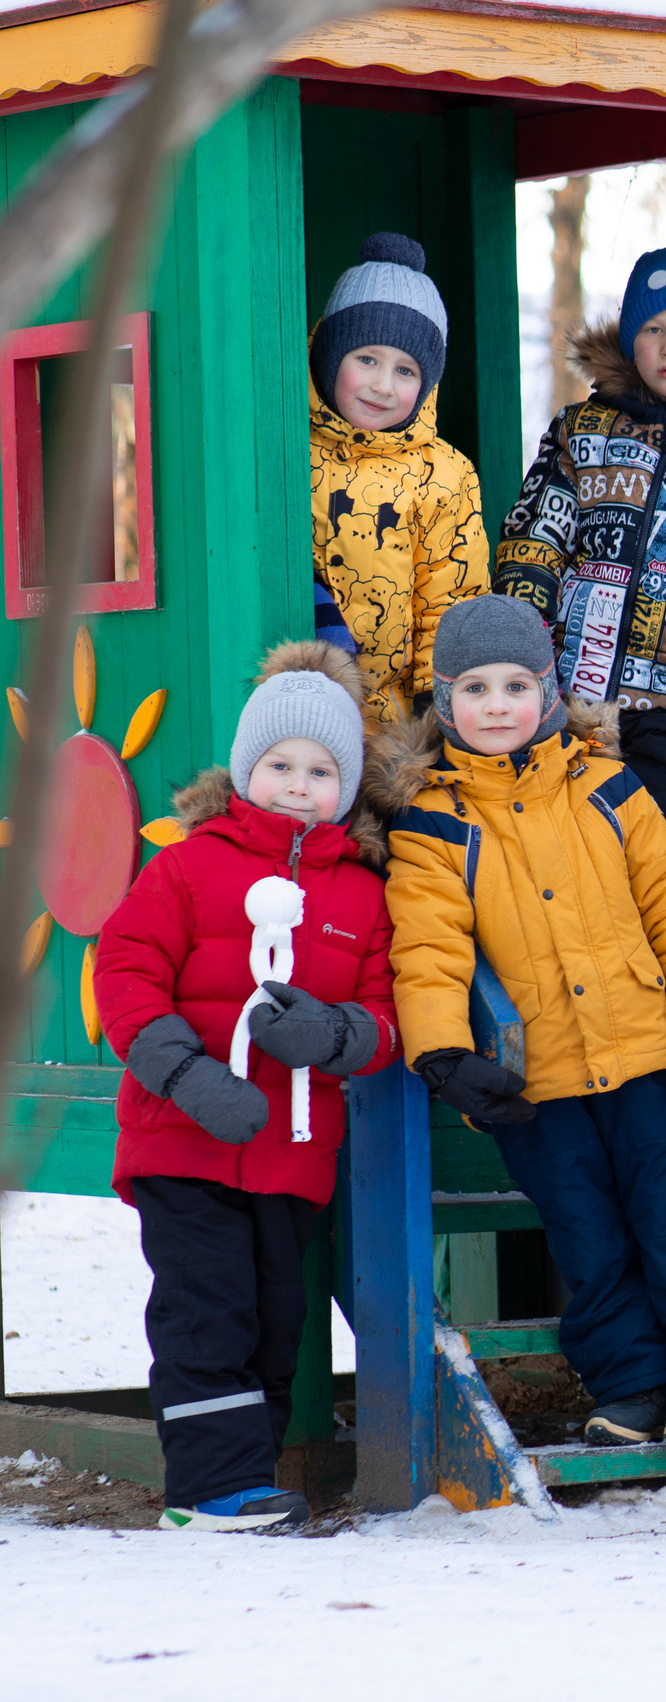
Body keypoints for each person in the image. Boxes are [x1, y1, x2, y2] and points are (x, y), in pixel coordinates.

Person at [375, 595, 666, 1448]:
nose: (498, 705)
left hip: (641, 1058)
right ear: (445, 702)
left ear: (549, 693)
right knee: (588, 1239)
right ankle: (631, 1383)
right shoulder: (436, 824)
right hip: (532, 1080)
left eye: (517, 684)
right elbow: (429, 947)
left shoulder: (608, 786)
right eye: (475, 688)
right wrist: (442, 1052)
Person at [94, 644, 398, 1533]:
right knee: (207, 1310)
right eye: (278, 765)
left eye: (319, 770)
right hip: (183, 1139)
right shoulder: (189, 867)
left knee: (274, 1318)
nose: (296, 785)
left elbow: (385, 1014)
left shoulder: (360, 894)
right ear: (244, 769)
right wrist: (186, 1075)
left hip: (288, 1154)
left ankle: (246, 1476)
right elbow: (126, 970)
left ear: (344, 788)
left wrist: (334, 1034)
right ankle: (205, 1489)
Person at [492, 241, 666, 858]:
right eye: (653, 328)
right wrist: (522, 654)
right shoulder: (581, 428)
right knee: (577, 849)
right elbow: (533, 539)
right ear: (628, 340)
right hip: (577, 695)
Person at [308, 232, 489, 727]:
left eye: (406, 371)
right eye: (366, 359)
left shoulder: (445, 475)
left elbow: (451, 600)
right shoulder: (286, 450)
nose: (383, 386)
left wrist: (441, 708)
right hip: (301, 707)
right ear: (329, 357)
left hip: (397, 721)